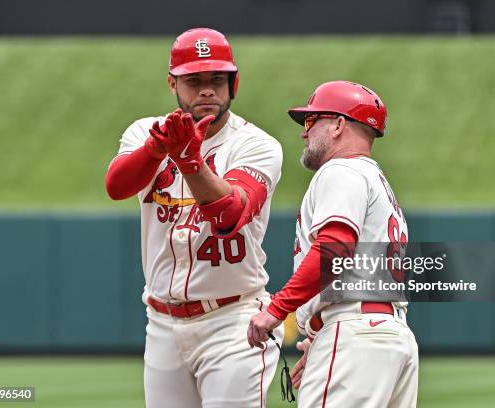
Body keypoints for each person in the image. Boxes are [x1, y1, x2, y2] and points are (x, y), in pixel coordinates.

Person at [105, 28, 283, 408]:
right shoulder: (146, 132)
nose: (207, 90)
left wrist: (188, 160)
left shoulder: (255, 144)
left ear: (234, 84)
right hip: (162, 323)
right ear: (173, 83)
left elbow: (230, 214)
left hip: (233, 320)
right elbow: (116, 186)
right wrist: (157, 147)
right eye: (194, 80)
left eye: (217, 79)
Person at [247, 81, 419, 407]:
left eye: (312, 122)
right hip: (392, 338)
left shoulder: (341, 171)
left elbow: (335, 248)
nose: (304, 132)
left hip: (356, 336)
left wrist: (276, 309)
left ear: (339, 124)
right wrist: (317, 335)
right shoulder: (377, 182)